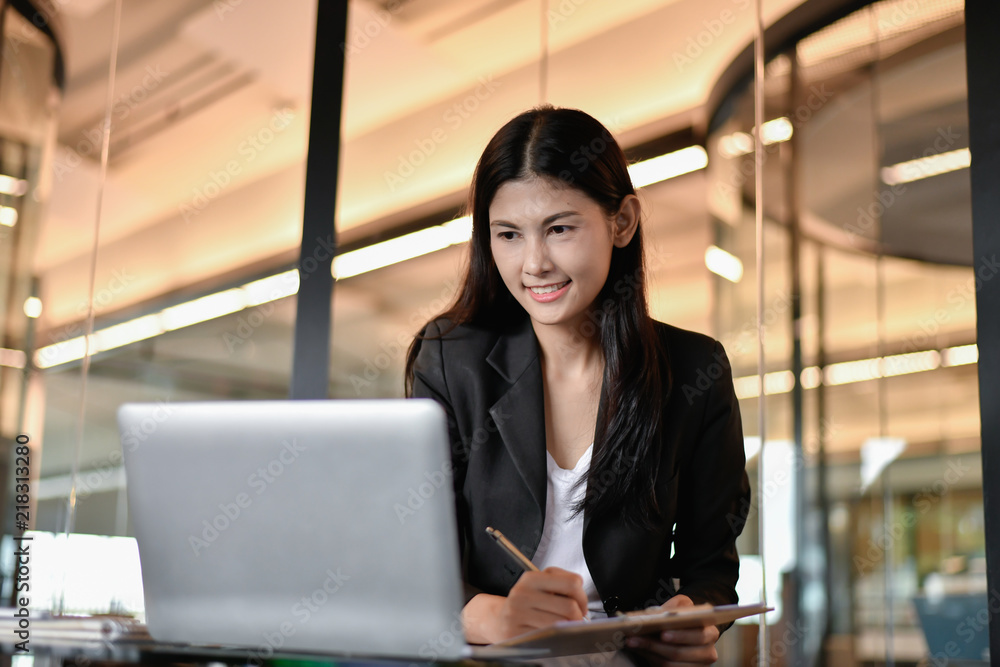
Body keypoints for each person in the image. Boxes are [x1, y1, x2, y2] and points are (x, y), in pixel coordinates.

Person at [404, 106, 750, 665]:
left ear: (623, 222)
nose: (535, 263)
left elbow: (711, 563)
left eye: (560, 229)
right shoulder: (450, 362)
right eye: (509, 235)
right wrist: (500, 616)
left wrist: (693, 617)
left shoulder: (693, 370)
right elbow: (413, 563)